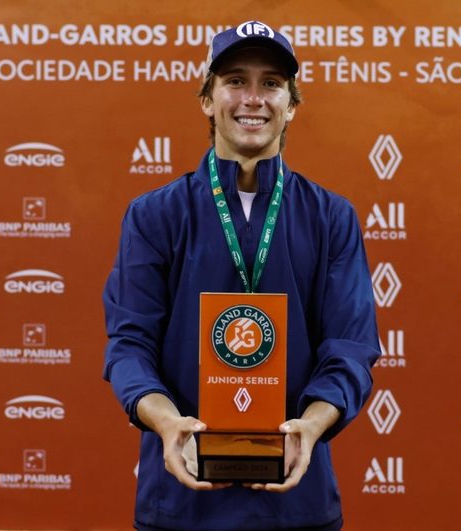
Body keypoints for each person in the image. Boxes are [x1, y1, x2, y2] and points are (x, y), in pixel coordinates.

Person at [103, 20, 379, 531]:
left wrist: (310, 428)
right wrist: (168, 425)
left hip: (297, 502)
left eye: (271, 83)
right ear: (207, 99)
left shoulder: (332, 218)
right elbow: (129, 346)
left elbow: (350, 348)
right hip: (181, 502)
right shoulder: (154, 215)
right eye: (235, 80)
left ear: (292, 105)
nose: (253, 98)